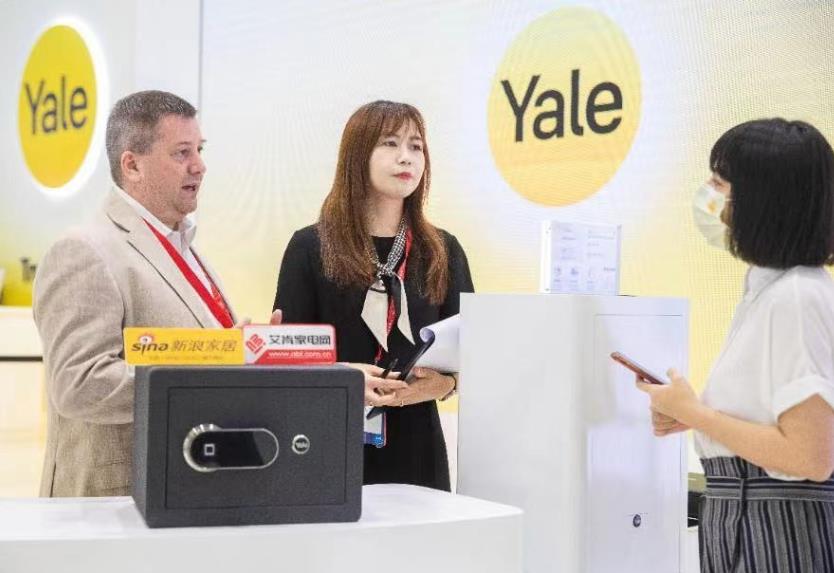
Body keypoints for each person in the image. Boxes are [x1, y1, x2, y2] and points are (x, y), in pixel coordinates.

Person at [33, 90, 277, 497]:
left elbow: (204, 356)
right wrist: (213, 367)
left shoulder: (186, 250)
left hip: (181, 489)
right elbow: (79, 385)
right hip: (111, 504)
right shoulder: (83, 250)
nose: (199, 165)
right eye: (182, 152)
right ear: (132, 165)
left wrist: (251, 354)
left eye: (199, 149)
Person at [638, 119, 834, 572]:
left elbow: (810, 455)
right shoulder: (775, 291)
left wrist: (696, 413)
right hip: (751, 519)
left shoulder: (795, 297)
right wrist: (694, 415)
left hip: (778, 528)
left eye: (719, 183)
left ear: (762, 200)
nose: (708, 195)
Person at [273, 101, 473, 491]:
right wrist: (341, 379)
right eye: (390, 143)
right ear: (357, 154)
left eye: (416, 146)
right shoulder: (310, 247)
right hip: (329, 441)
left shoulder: (442, 250)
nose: (406, 157)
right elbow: (285, 359)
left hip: (418, 446)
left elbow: (472, 352)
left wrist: (446, 385)